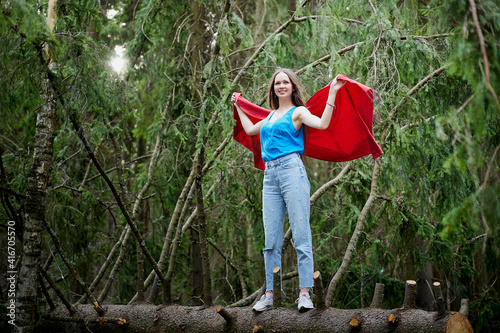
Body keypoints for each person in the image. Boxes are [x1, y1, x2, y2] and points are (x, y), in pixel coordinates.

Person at [231, 68, 345, 312]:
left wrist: (332, 93)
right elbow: (251, 130)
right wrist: (238, 105)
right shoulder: (270, 117)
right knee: (270, 240)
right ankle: (270, 293)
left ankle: (305, 293)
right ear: (273, 88)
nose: (281, 86)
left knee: (301, 235)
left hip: (292, 171)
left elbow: (323, 123)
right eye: (277, 83)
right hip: (269, 177)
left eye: (285, 82)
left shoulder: (299, 112)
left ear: (292, 86)